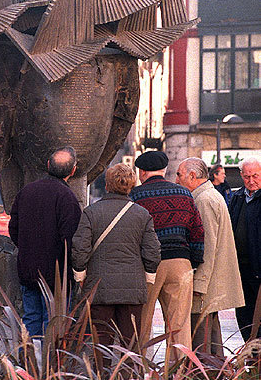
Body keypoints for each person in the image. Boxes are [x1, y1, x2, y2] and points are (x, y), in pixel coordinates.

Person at [72, 163, 161, 367]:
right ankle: (127, 376)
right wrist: (148, 278)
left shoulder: (91, 212)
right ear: (131, 185)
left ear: (107, 184)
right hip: (132, 288)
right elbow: (153, 251)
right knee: (130, 344)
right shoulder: (142, 214)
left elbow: (80, 248)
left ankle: (102, 376)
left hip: (99, 287)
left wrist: (80, 276)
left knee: (101, 343)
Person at [130, 151, 204, 359]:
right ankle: (179, 371)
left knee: (142, 320)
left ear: (142, 172)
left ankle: (142, 367)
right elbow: (197, 231)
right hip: (180, 262)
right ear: (164, 170)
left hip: (148, 265)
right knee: (179, 323)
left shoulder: (136, 196)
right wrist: (194, 261)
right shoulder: (184, 194)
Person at [9, 146, 82, 339]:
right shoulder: (68, 198)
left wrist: (27, 249)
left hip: (28, 270)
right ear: (73, 171)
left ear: (48, 165)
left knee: (31, 320)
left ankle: (29, 365)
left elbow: (13, 229)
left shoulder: (26, 192)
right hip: (56, 276)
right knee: (54, 324)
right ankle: (50, 367)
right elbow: (71, 239)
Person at [176, 157, 244, 355]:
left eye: (179, 174)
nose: (177, 179)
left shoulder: (204, 200)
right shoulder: (207, 196)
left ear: (192, 175)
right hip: (211, 284)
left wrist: (199, 285)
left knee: (202, 343)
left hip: (206, 286)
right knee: (211, 341)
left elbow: (207, 247)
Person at [229, 156, 261, 341]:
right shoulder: (238, 197)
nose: (251, 181)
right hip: (241, 269)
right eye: (247, 177)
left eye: (255, 176)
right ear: (241, 176)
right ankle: (250, 355)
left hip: (258, 268)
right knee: (243, 316)